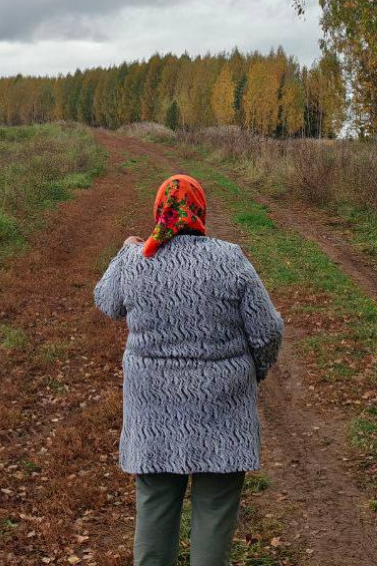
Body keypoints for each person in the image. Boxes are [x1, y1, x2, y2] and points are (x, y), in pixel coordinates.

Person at [94, 173, 284, 566]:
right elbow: (268, 332)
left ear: (159, 211)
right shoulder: (230, 259)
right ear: (199, 210)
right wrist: (254, 372)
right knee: (215, 513)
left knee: (155, 507)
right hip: (222, 411)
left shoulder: (137, 260)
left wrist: (123, 252)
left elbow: (106, 301)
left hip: (153, 414)